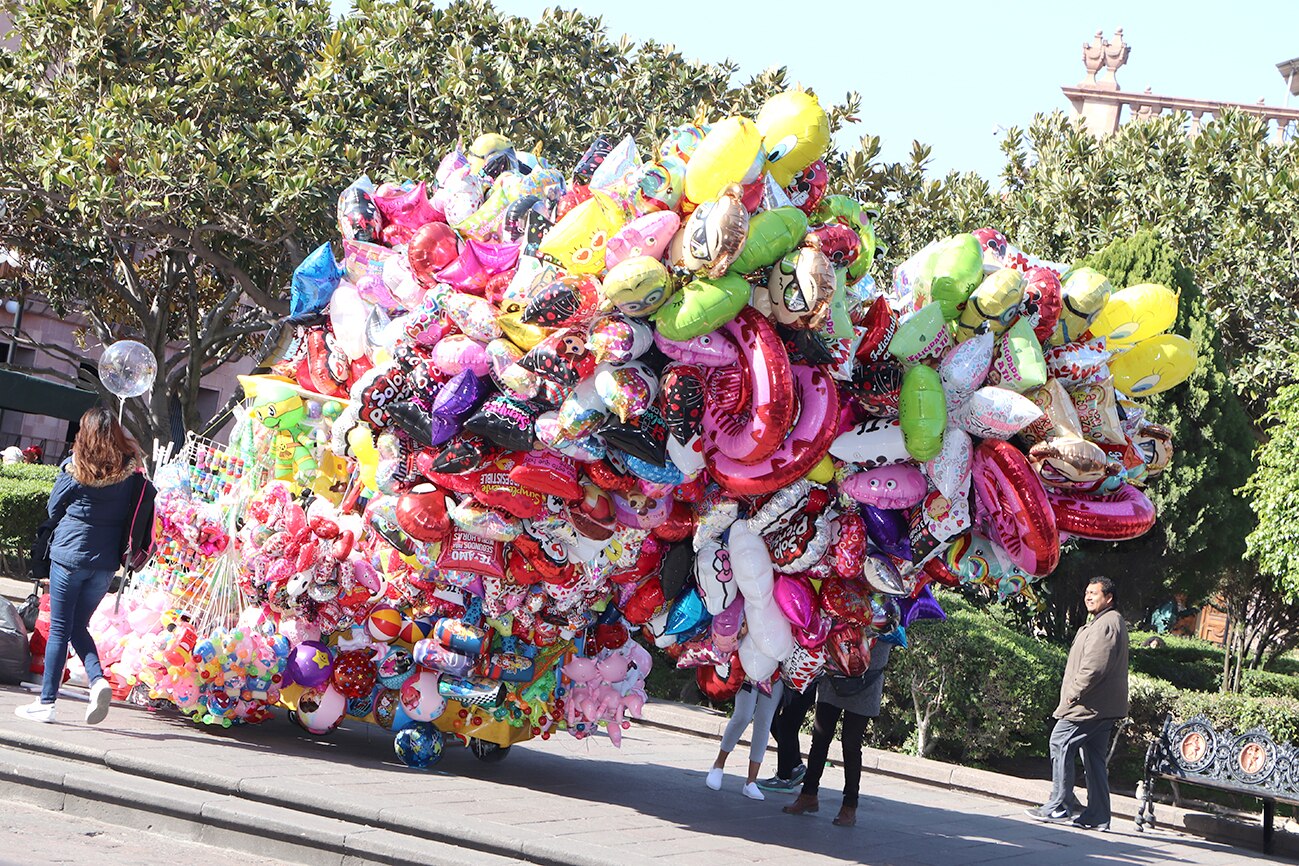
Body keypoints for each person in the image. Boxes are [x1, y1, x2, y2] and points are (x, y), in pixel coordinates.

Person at [14, 407, 142, 725]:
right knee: (76, 626)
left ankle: (46, 703)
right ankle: (97, 680)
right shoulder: (130, 471)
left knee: (60, 628)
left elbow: (53, 507)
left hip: (69, 556)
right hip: (104, 563)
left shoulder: (75, 469)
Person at [1026, 576, 1129, 831]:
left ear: (1109, 598)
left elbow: (1094, 667)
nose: (1088, 597)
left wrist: (1074, 693)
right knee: (1093, 759)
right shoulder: (1104, 621)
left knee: (1059, 742)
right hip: (1100, 706)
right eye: (1086, 592)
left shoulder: (1107, 624)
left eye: (1094, 593)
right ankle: (1097, 816)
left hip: (1088, 706)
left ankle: (1059, 806)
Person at [783, 638, 891, 827]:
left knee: (851, 744)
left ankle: (850, 805)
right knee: (820, 738)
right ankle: (808, 794)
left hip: (866, 680)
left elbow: (885, 645)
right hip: (834, 675)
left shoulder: (891, 612)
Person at [706, 676, 784, 801]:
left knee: (764, 721)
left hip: (777, 673)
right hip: (750, 668)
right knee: (743, 716)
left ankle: (751, 781)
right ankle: (718, 765)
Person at [757, 677, 817, 793]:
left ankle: (784, 777)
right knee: (778, 723)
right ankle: (795, 766)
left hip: (804, 680)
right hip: (802, 681)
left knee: (786, 726)